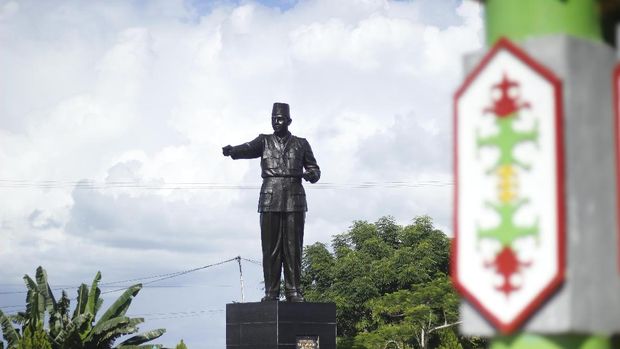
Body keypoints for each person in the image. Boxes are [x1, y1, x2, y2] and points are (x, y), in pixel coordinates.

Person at [222, 102, 321, 302]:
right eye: (274, 119)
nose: (276, 122)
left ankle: (293, 291)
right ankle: (271, 292)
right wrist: (233, 150)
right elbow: (247, 148)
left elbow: (315, 169)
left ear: (289, 121)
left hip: (294, 197)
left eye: (280, 119)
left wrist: (311, 174)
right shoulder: (264, 141)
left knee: (293, 247)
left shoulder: (301, 143)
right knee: (270, 248)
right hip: (270, 197)